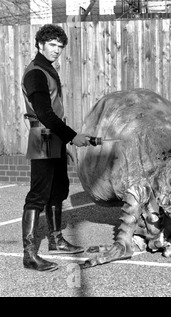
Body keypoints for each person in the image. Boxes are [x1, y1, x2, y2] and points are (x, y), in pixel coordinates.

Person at [21, 24, 90, 272]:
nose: (57, 50)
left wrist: (64, 140)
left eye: (60, 46)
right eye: (52, 45)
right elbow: (45, 114)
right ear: (40, 44)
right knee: (38, 194)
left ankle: (55, 240)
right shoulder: (36, 73)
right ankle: (29, 255)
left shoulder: (48, 70)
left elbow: (54, 114)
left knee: (59, 189)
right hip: (43, 134)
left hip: (53, 134)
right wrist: (72, 137)